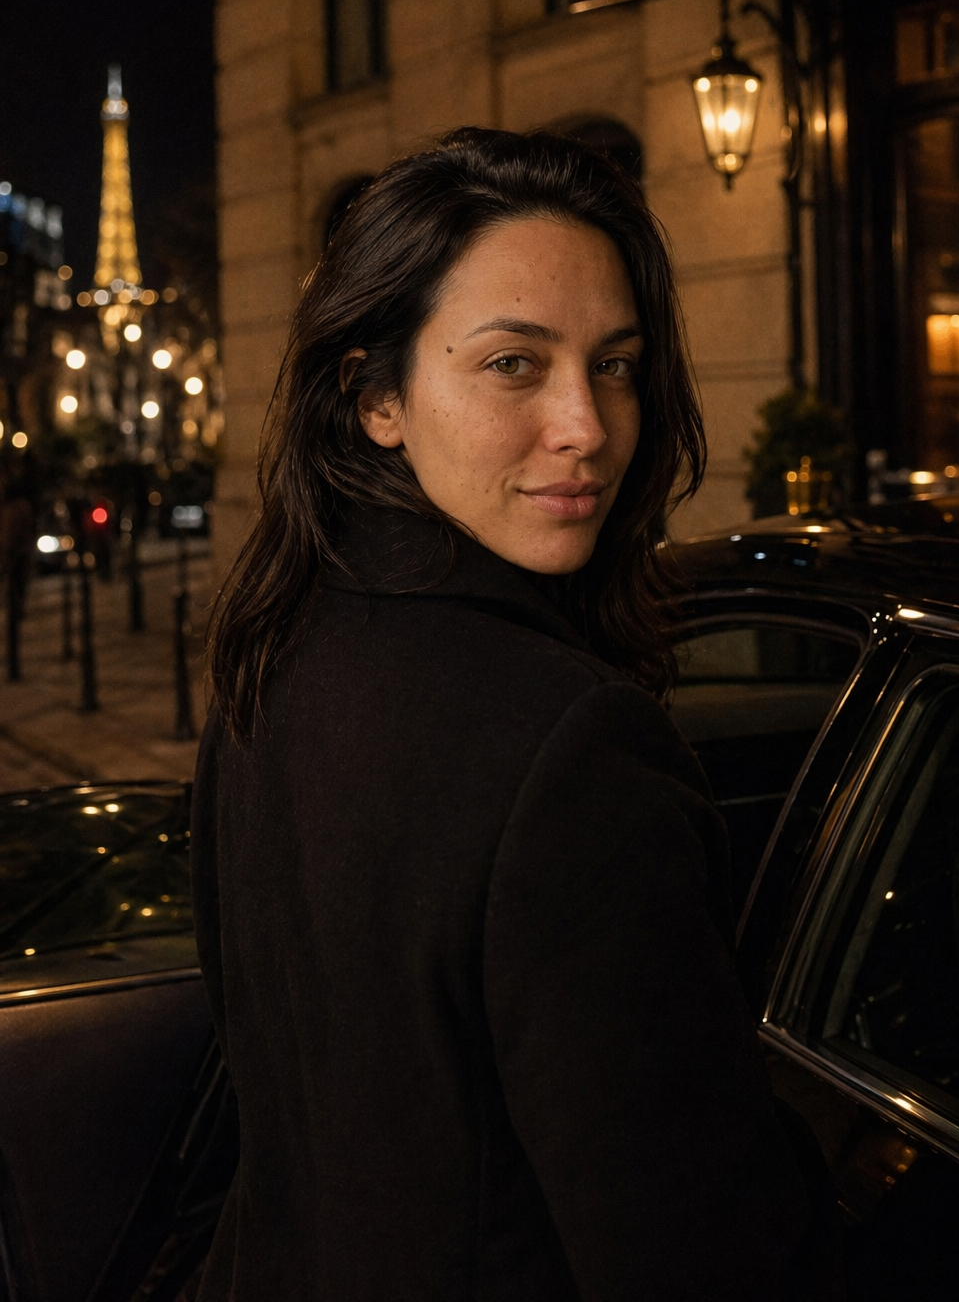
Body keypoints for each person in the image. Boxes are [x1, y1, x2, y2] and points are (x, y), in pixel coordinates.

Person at [192, 128, 828, 1301]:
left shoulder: (276, 648)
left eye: (618, 364)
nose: (586, 424)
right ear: (375, 395)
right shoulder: (570, 746)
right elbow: (696, 1248)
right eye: (512, 365)